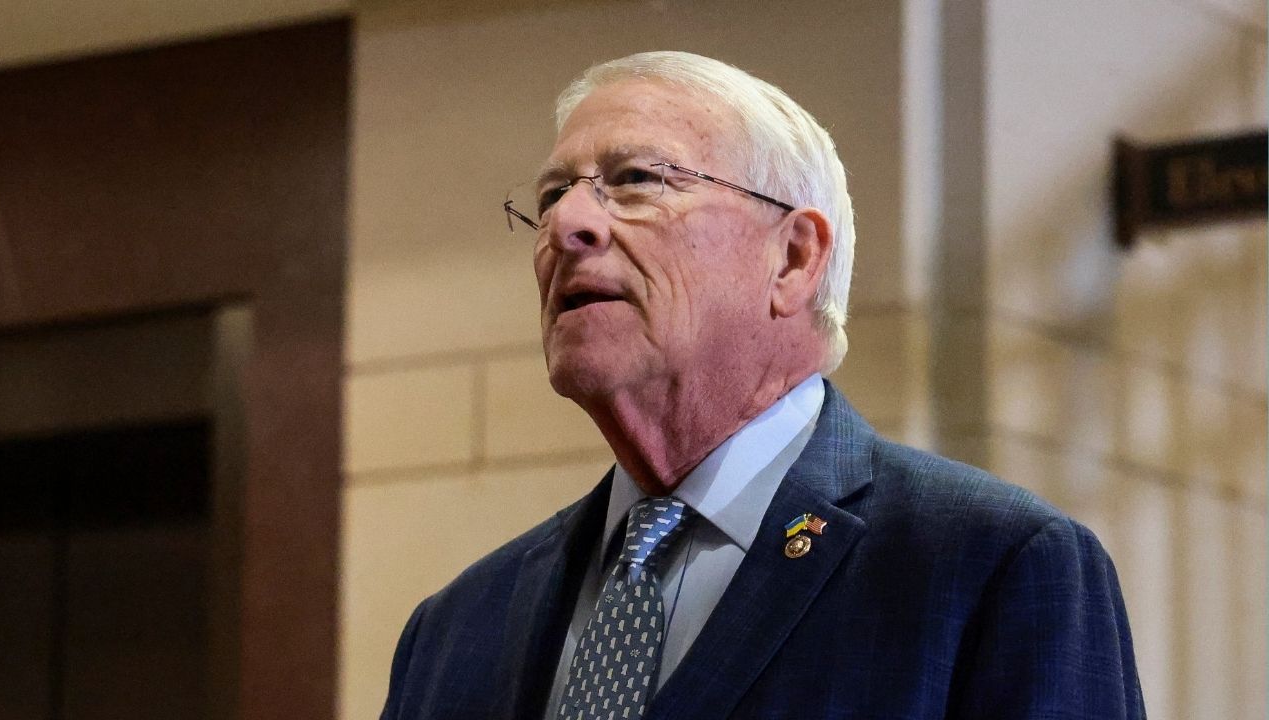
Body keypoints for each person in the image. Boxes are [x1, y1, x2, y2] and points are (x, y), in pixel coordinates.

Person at [380, 51, 1145, 720]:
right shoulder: (453, 629)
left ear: (794, 258)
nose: (567, 225)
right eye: (552, 196)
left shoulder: (990, 566)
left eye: (637, 179)